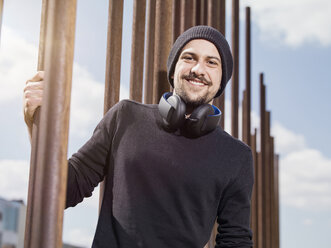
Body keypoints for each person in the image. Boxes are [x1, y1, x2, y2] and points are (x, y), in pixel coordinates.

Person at [23, 26, 253, 248]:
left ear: (221, 80)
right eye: (189, 58)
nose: (198, 69)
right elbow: (64, 191)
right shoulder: (126, 116)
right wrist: (38, 125)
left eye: (211, 62)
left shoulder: (236, 156)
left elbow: (236, 241)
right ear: (173, 70)